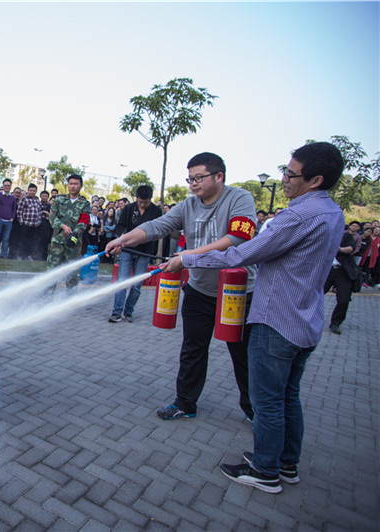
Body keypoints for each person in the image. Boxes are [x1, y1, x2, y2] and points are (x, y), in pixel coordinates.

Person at [161, 142, 345, 494]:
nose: (284, 179)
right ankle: (286, 463)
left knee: (268, 401)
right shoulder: (332, 213)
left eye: (291, 174)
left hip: (276, 320)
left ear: (315, 179)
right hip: (305, 319)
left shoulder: (297, 216)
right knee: (288, 396)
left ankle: (264, 470)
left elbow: (241, 253)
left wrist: (187, 259)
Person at [106, 152, 257, 422]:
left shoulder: (240, 198)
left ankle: (254, 409)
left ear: (218, 176)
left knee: (243, 354)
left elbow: (238, 236)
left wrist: (189, 256)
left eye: (199, 178)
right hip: (200, 290)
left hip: (237, 292)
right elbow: (157, 226)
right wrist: (125, 239)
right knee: (192, 349)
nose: (193, 184)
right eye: (190, 179)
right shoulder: (188, 206)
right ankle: (185, 403)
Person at [108, 185, 162, 323]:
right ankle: (116, 312)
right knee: (122, 282)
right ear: (136, 198)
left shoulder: (156, 211)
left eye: (146, 202)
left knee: (137, 285)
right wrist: (122, 236)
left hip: (144, 252)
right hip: (127, 250)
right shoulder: (129, 208)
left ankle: (129, 311)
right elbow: (120, 226)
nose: (143, 205)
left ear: (151, 199)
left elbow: (158, 232)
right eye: (140, 202)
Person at [47, 174, 91, 290]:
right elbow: (52, 217)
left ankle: (69, 300)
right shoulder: (59, 200)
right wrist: (63, 226)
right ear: (68, 185)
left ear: (81, 186)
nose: (73, 186)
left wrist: (74, 233)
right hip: (57, 242)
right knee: (52, 271)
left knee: (71, 274)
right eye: (71, 184)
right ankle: (46, 299)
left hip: (73, 244)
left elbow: (84, 221)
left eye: (76, 184)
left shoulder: (85, 203)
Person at [323, 222, 361, 333]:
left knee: (344, 299)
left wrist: (339, 249)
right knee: (313, 295)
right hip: (326, 270)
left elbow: (350, 248)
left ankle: (335, 323)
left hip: (342, 271)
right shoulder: (323, 235)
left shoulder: (346, 236)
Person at [0, 179, 17, 258]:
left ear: (11, 186)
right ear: (3, 186)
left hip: (8, 221)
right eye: (5, 185)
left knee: (5, 239)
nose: (7, 187)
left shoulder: (12, 198)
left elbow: (14, 209)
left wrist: (12, 218)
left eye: (8, 186)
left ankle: (3, 255)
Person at [16, 184, 42, 260]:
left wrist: (38, 222)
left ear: (36, 191)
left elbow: (39, 212)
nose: (32, 192)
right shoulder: (24, 199)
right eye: (30, 190)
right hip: (25, 224)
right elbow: (19, 211)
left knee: (32, 242)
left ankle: (28, 256)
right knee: (23, 241)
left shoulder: (37, 200)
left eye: (34, 190)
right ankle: (20, 256)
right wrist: (21, 222)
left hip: (35, 225)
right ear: (28, 191)